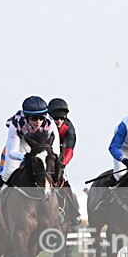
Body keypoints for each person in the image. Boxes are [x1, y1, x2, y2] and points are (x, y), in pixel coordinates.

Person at [0, 96, 61, 220]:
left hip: (42, 146)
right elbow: (12, 152)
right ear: (27, 117)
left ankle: (62, 207)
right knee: (7, 174)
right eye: (33, 118)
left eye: (41, 117)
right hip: (21, 145)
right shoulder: (16, 124)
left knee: (57, 170)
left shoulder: (50, 123)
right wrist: (24, 157)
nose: (38, 121)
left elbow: (56, 150)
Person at [48, 97, 81, 226]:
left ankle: (73, 212)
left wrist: (62, 164)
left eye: (62, 118)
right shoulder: (43, 124)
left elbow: (70, 150)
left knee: (64, 179)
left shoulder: (68, 128)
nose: (59, 121)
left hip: (58, 157)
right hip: (42, 156)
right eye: (56, 119)